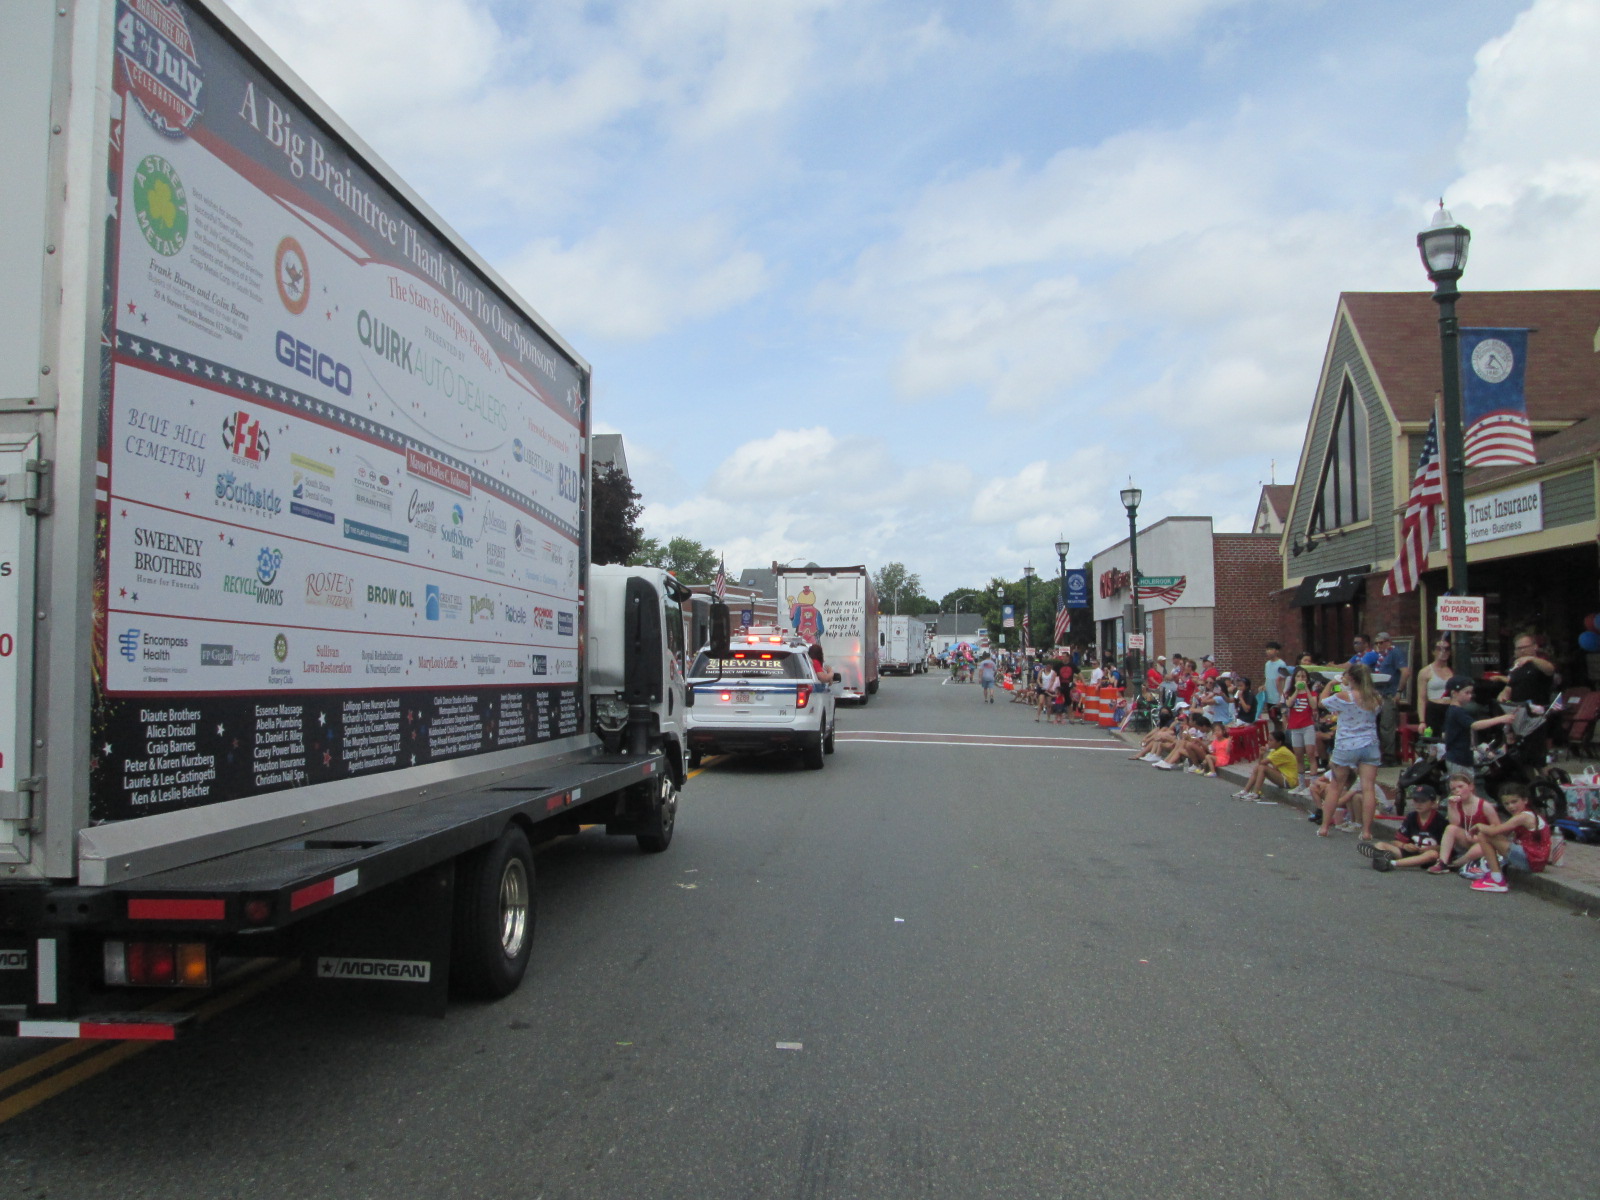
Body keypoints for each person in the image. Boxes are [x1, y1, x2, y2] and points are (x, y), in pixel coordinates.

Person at [1318, 663, 1382, 839]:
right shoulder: (1376, 698)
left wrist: (1331, 684)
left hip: (1346, 744)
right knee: (1368, 788)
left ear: (1351, 678)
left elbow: (1322, 702)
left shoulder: (1345, 696)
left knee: (1335, 786)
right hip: (1370, 744)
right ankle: (1367, 830)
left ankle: (1324, 827)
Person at [1466, 783, 1552, 892]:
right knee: (1487, 834)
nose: (1510, 806)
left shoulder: (1523, 817)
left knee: (1483, 835)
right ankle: (1495, 874)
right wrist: (1491, 829)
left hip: (1532, 860)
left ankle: (1496, 878)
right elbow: (1502, 834)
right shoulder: (1524, 815)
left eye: (1514, 802)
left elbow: (1493, 832)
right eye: (1506, 804)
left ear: (1525, 800)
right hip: (1535, 860)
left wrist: (1479, 826)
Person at [1498, 632, 1556, 771]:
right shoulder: (1516, 669)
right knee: (1518, 754)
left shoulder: (1539, 664)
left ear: (1534, 646)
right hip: (1518, 714)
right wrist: (1502, 694)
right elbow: (1509, 687)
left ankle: (1543, 781)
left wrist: (1531, 658)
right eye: (1519, 648)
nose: (1522, 651)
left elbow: (1550, 670)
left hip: (1536, 716)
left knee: (1536, 756)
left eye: (1525, 647)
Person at [1359, 783, 1448, 871]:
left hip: (1427, 856)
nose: (1418, 804)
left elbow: (1447, 846)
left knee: (1432, 854)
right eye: (1416, 800)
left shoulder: (1440, 820)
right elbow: (1395, 841)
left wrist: (1433, 848)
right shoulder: (1411, 817)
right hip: (1410, 853)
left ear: (1432, 803)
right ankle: (1384, 859)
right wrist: (1405, 845)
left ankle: (1391, 863)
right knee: (1380, 845)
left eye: (1423, 800)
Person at [1441, 674, 1514, 780]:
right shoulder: (1457, 711)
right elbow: (1475, 725)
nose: (1470, 696)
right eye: (1466, 693)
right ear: (1454, 693)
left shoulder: (1454, 711)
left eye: (1471, 692)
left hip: (1463, 757)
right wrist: (1501, 719)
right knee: (1462, 787)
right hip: (1458, 759)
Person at [1425, 774, 1501, 874]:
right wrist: (1452, 806)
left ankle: (1457, 863)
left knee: (1478, 849)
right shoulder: (1457, 804)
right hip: (1467, 837)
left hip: (1484, 840)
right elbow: (1455, 824)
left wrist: (1479, 837)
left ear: (1471, 787)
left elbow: (1497, 828)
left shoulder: (1484, 806)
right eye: (1453, 789)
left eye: (1460, 787)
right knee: (1450, 828)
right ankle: (1442, 862)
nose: (1457, 790)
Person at [1371, 631, 1411, 766]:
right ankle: (1381, 754)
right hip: (1378, 694)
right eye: (1376, 643)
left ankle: (1390, 757)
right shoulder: (1378, 656)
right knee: (1376, 725)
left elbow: (1405, 672)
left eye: (1381, 642)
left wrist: (1399, 691)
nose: (1378, 645)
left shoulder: (1395, 653)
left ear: (1388, 642)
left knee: (1387, 726)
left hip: (1389, 694)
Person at [1234, 727, 1299, 803]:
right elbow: (1260, 765)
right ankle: (1245, 791)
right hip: (1283, 777)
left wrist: (1261, 754)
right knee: (1259, 767)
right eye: (1268, 740)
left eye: (1271, 740)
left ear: (1279, 742)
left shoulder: (1282, 751)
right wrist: (1261, 754)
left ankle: (1255, 793)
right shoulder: (1275, 750)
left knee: (1263, 768)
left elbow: (1262, 764)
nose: (1268, 742)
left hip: (1289, 781)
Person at [1283, 666, 1319, 791]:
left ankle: (1313, 786)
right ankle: (1301, 784)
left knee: (1310, 754)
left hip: (1307, 726)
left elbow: (1314, 705)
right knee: (1298, 756)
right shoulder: (1289, 693)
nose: (1301, 679)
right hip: (1295, 727)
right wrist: (1297, 691)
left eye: (1303, 676)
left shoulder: (1313, 693)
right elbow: (1289, 704)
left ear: (1307, 680)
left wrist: (1307, 690)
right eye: (1298, 676)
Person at [1414, 635, 1455, 734]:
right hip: (1434, 709)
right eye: (1439, 649)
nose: (1443, 652)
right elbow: (1421, 698)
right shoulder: (1425, 672)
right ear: (1433, 652)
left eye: (1446, 649)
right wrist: (1422, 721)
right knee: (1434, 742)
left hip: (1450, 708)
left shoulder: (1453, 671)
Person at [1262, 641, 1288, 715]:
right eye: (1267, 649)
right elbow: (1268, 679)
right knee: (1272, 718)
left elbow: (1283, 681)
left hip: (1278, 697)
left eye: (1271, 649)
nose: (1268, 651)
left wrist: (1282, 697)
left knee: (1280, 719)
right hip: (1269, 697)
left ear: (1277, 651)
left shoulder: (1281, 664)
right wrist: (1264, 686)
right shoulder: (1267, 664)